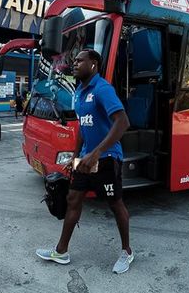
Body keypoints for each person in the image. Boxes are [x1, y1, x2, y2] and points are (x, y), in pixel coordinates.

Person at [36, 49, 133, 274]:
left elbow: (123, 122)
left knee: (115, 203)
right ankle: (61, 251)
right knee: (73, 198)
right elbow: (82, 126)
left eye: (80, 61)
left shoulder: (103, 89)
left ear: (94, 65)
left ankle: (126, 251)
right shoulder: (79, 91)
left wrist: (96, 153)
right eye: (75, 61)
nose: (75, 64)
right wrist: (75, 155)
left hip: (107, 158)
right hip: (86, 158)